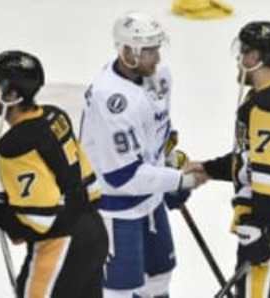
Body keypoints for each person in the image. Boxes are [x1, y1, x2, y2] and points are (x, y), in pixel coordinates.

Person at [186, 21, 270, 297]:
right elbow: (254, 161)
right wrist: (209, 168)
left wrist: (261, 227)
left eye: (244, 52)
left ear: (255, 57)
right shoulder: (266, 97)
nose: (239, 59)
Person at [79, 11, 206, 298]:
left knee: (160, 274)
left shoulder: (159, 76)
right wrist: (178, 180)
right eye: (149, 51)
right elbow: (122, 176)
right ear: (127, 52)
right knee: (120, 290)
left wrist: (169, 162)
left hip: (150, 198)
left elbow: (159, 131)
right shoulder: (111, 100)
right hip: (115, 205)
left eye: (157, 48)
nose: (157, 58)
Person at [0, 50, 108, 298]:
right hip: (94, 235)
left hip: (59, 248)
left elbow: (39, 220)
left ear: (12, 95)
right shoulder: (54, 115)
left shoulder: (15, 145)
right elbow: (91, 188)